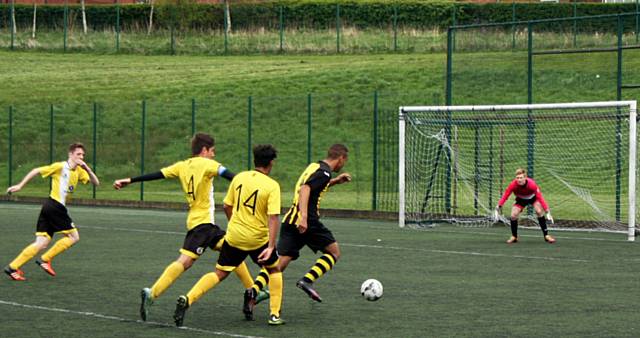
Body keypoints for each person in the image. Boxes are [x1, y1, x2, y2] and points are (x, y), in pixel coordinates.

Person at [113, 133, 257, 322]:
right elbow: (232, 176)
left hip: (199, 223)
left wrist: (130, 180)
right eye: (212, 151)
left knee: (233, 248)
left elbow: (157, 174)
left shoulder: (182, 166)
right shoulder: (209, 165)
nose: (214, 155)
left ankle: (253, 290)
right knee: (185, 262)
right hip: (203, 226)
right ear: (204, 150)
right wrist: (254, 185)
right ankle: (152, 293)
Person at [173, 144, 284, 327]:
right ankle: (274, 315)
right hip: (257, 239)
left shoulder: (240, 177)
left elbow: (226, 205)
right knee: (274, 270)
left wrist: (234, 224)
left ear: (254, 160)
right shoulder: (272, 186)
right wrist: (271, 246)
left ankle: (188, 298)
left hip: (234, 237)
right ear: (271, 162)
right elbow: (273, 217)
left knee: (220, 273)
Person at [248, 144, 351, 304]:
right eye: (344, 161)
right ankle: (307, 281)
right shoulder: (324, 172)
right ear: (341, 158)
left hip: (290, 221)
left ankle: (253, 292)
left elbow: (313, 185)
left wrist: (335, 181)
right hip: (308, 222)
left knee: (278, 264)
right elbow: (305, 189)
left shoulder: (315, 166)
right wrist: (304, 217)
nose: (343, 164)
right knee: (334, 252)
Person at [4, 142, 100, 281]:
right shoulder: (60, 166)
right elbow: (36, 170)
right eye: (78, 154)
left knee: (41, 243)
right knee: (74, 237)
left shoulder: (79, 171)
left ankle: (12, 267)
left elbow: (96, 183)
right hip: (55, 206)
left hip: (49, 207)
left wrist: (88, 169)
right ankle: (45, 260)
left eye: (83, 155)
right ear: (70, 154)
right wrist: (20, 185)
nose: (81, 157)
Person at [495, 168, 555, 244]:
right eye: (517, 178)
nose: (519, 180)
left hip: (533, 198)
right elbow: (505, 195)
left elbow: (540, 197)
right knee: (513, 215)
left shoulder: (532, 184)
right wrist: (498, 206)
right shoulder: (513, 185)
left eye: (521, 178)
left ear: (525, 178)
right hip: (521, 199)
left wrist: (547, 211)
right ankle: (514, 237)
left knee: (539, 211)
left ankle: (546, 235)